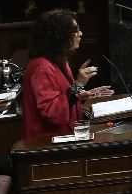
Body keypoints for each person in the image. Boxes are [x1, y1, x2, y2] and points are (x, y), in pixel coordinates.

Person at [21, 9, 113, 142]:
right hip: (46, 143)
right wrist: (78, 85)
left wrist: (84, 95)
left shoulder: (60, 61)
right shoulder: (42, 67)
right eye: (75, 30)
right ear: (59, 36)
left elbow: (65, 97)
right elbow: (52, 112)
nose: (80, 34)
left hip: (64, 135)